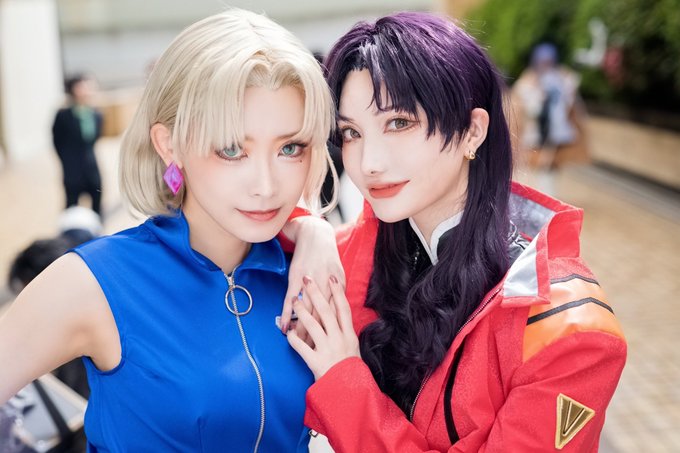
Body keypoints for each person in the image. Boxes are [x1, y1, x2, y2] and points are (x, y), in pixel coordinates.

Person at [281, 12, 626, 452]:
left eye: (399, 123)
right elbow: (241, 215)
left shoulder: (568, 329)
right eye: (351, 132)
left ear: (472, 131)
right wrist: (310, 228)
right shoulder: (352, 255)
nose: (369, 163)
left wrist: (344, 383)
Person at [0, 9, 337, 452]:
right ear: (169, 145)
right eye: (231, 149)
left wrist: (317, 231)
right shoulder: (94, 282)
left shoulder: (305, 268)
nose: (266, 186)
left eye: (290, 148)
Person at [512, 43, 589, 195]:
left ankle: (547, 194)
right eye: (542, 61)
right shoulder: (528, 80)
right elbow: (524, 104)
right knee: (537, 165)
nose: (545, 65)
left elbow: (569, 100)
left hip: (555, 130)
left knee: (550, 166)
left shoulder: (562, 78)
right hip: (535, 131)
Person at [52, 74, 104, 215]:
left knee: (97, 205)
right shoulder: (63, 115)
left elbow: (95, 139)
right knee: (71, 207)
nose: (88, 90)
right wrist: (67, 162)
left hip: (92, 167)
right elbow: (57, 142)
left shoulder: (97, 114)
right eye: (83, 86)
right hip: (72, 170)